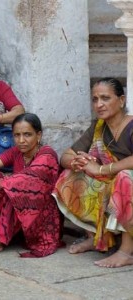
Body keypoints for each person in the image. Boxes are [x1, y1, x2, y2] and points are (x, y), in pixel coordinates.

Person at [53, 77, 133, 268]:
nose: (99, 104)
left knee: (123, 179)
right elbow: (65, 155)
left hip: (127, 184)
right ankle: (95, 237)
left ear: (121, 100)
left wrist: (102, 169)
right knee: (70, 177)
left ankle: (126, 252)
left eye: (105, 98)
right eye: (95, 99)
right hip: (111, 184)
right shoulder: (98, 126)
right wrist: (77, 162)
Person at [0, 113, 62, 257]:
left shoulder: (47, 154)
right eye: (16, 135)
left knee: (14, 187)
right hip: (17, 215)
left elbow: (27, 179)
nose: (21, 140)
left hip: (40, 218)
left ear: (38, 135)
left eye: (27, 135)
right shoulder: (16, 152)